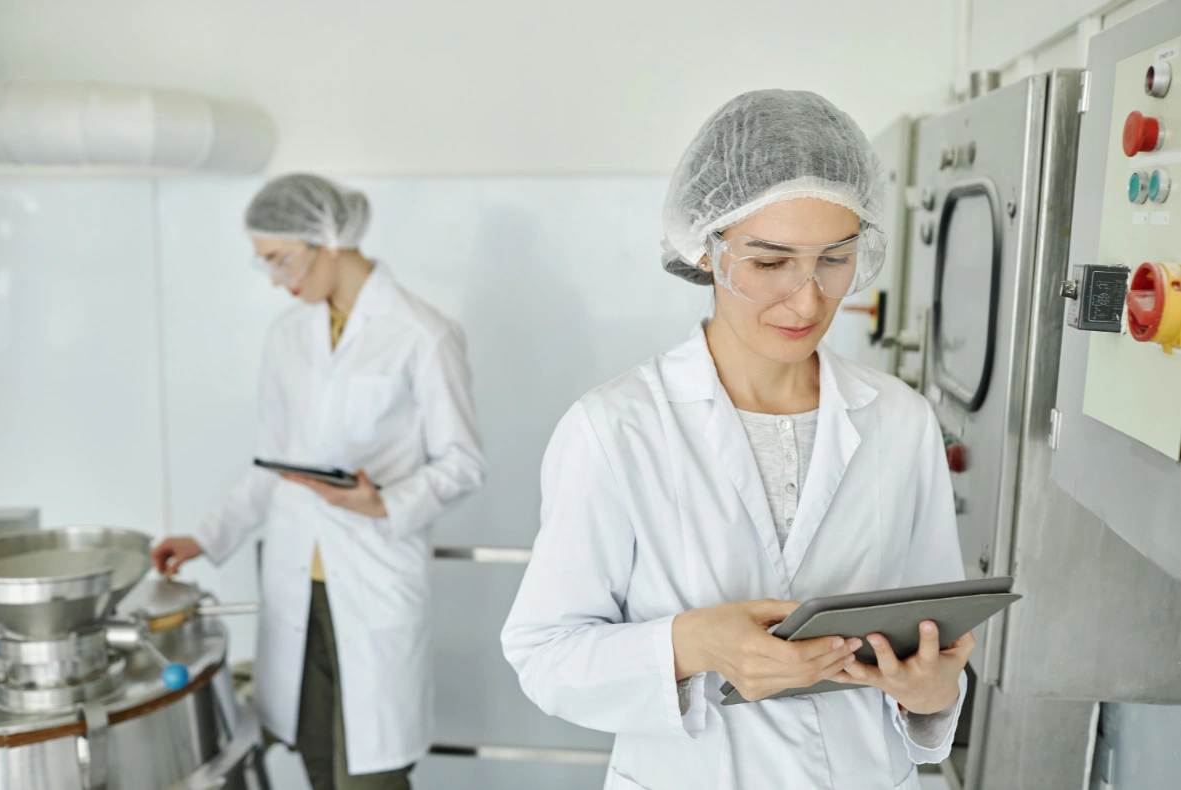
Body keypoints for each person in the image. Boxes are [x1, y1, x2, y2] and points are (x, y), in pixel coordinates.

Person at [500, 90, 970, 790]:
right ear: (705, 250)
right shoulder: (616, 427)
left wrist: (932, 698)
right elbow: (545, 656)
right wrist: (690, 644)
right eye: (769, 262)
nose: (807, 299)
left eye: (833, 259)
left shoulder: (899, 420)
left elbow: (934, 634)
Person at [152, 174, 486, 790]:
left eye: (282, 259)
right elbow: (273, 463)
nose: (278, 279)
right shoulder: (287, 336)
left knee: (373, 774)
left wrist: (382, 502)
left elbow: (462, 463)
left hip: (372, 574)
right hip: (296, 583)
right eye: (266, 265)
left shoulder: (422, 333)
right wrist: (205, 537)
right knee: (314, 755)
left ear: (329, 240)